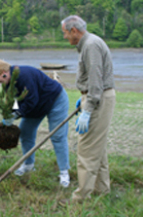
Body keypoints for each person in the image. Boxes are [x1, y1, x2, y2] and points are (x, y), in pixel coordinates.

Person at [0, 58, 70, 188]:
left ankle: (64, 172)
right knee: (25, 133)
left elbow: (31, 100)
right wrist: (11, 113)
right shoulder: (9, 82)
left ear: (3, 72)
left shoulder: (24, 75)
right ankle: (28, 165)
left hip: (55, 100)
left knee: (57, 136)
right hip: (37, 106)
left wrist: (16, 114)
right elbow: (17, 101)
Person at [61, 15, 116, 203]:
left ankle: (81, 199)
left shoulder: (91, 45)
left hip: (98, 99)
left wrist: (88, 107)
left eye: (65, 33)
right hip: (95, 96)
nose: (64, 37)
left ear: (74, 30)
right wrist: (83, 97)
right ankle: (101, 191)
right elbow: (92, 79)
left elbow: (96, 79)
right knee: (97, 148)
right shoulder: (89, 43)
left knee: (86, 150)